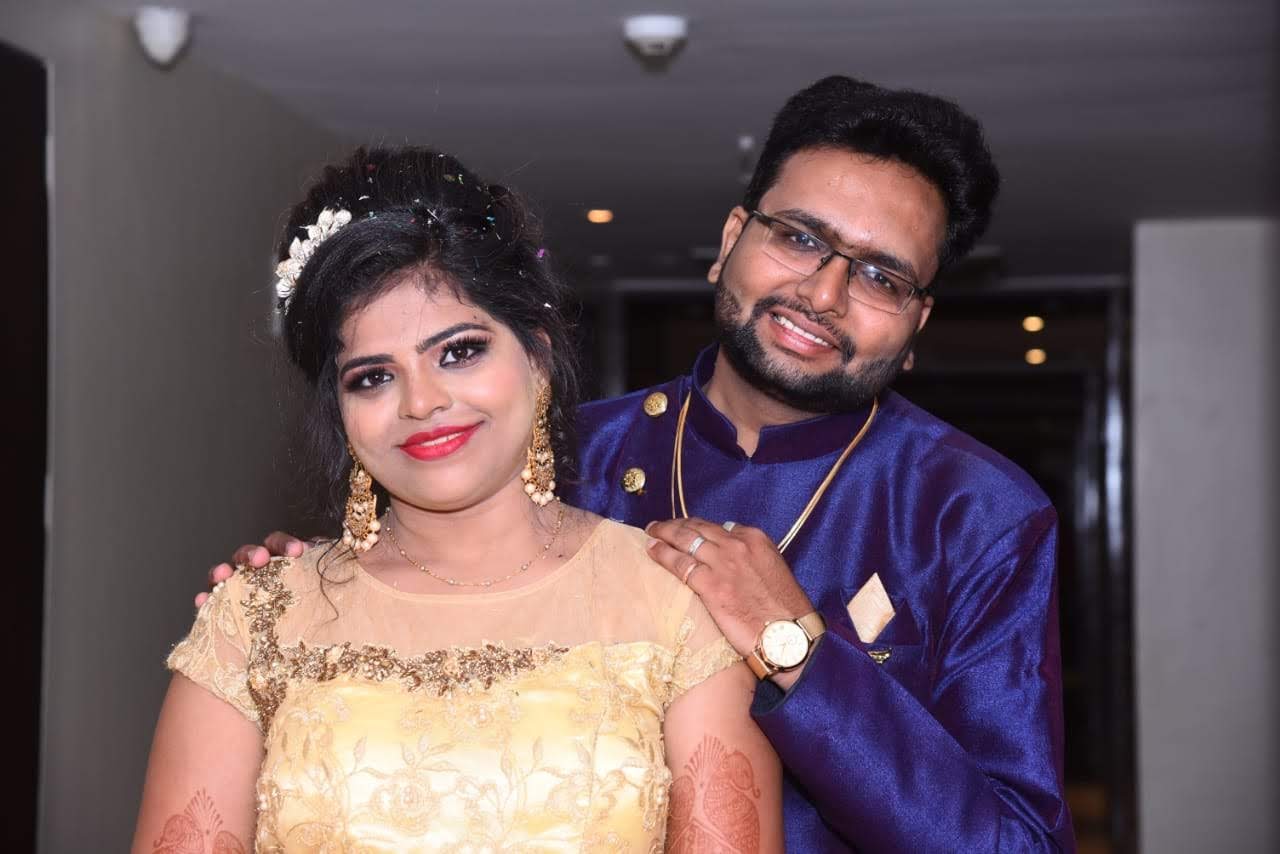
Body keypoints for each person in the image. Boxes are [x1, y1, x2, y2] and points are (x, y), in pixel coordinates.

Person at [212, 76, 1075, 851]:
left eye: (882, 278)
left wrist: (802, 655)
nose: (823, 293)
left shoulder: (976, 512)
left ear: (917, 324)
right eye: (799, 238)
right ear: (732, 238)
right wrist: (322, 597)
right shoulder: (565, 452)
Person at [135, 147, 783, 853]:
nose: (421, 402)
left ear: (536, 355)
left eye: (459, 351)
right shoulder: (254, 620)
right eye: (372, 377)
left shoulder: (676, 605)